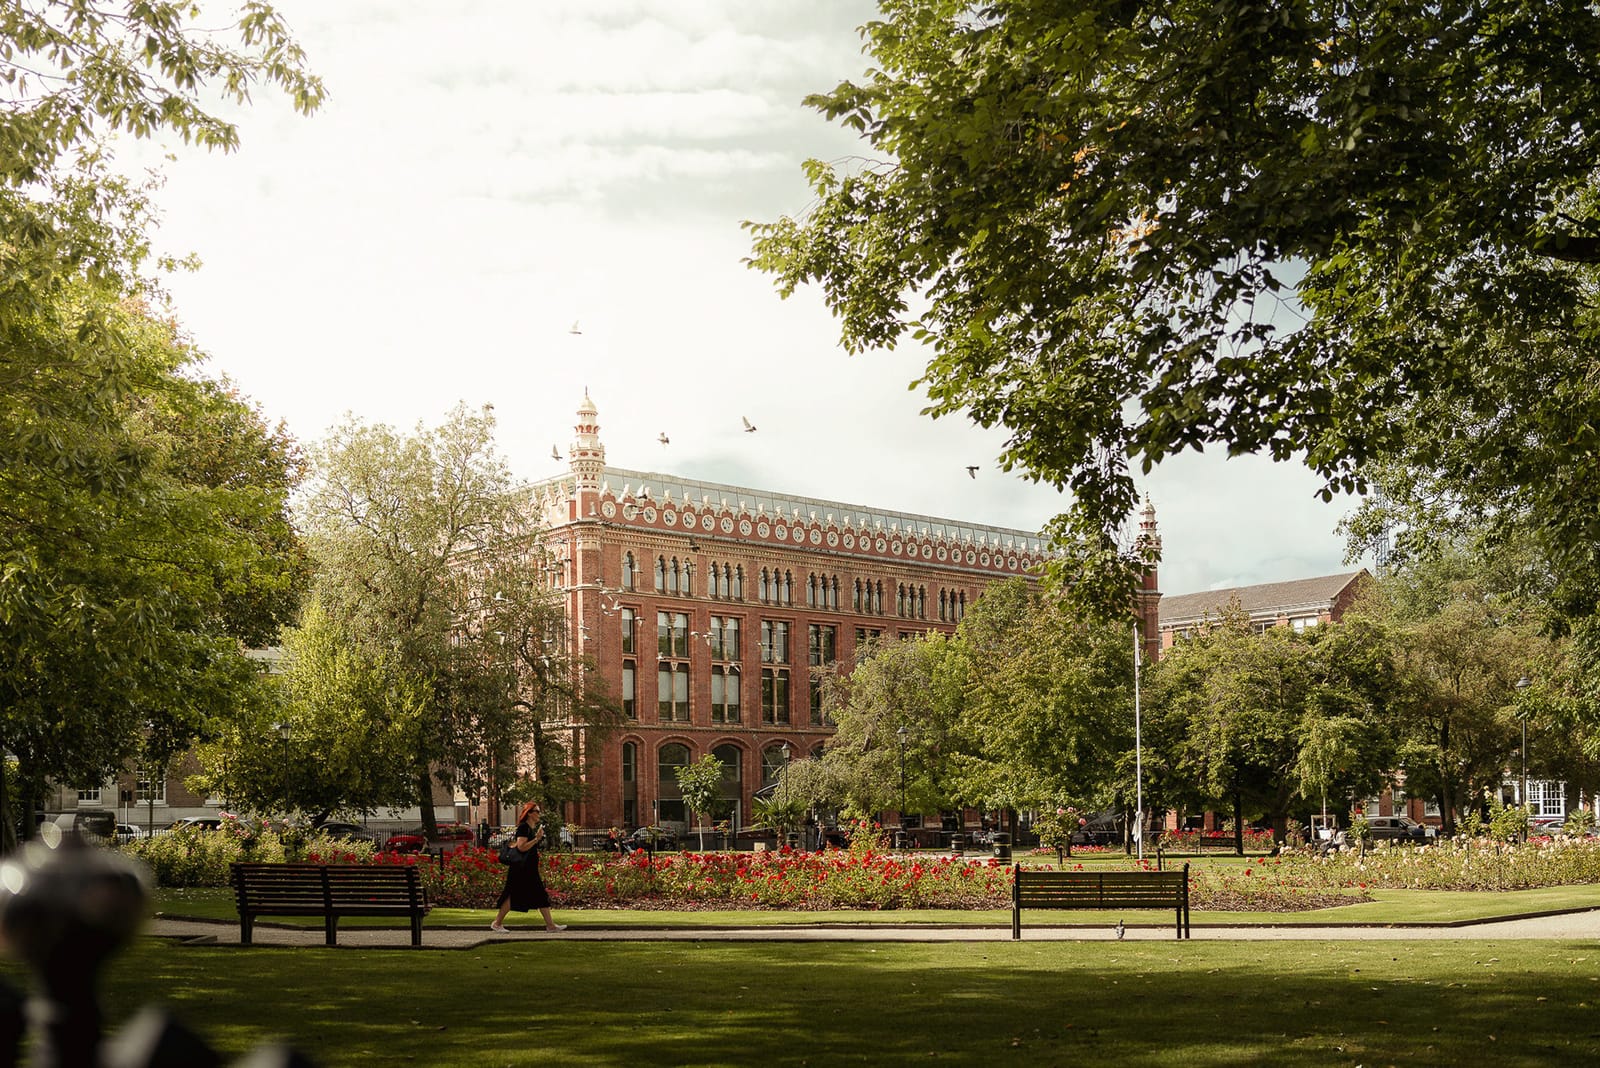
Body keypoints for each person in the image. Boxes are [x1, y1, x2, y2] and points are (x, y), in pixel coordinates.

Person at [490, 801, 566, 933]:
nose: (539, 814)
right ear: (530, 813)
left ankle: (551, 926)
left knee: (540, 895)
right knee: (512, 895)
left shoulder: (529, 828)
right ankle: (497, 923)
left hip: (528, 869)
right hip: (521, 869)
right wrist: (536, 839)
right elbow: (521, 847)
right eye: (537, 811)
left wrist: (537, 838)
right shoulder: (523, 828)